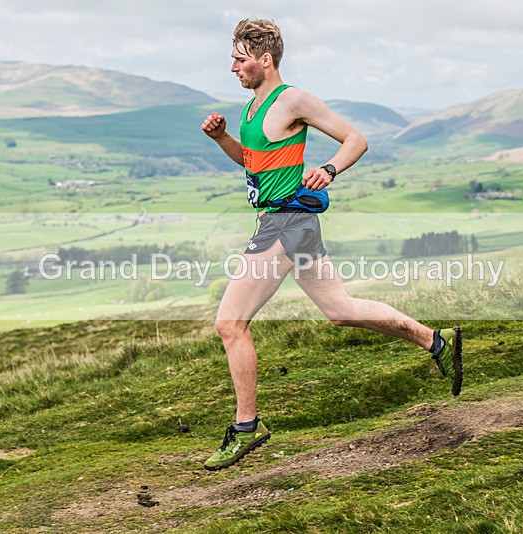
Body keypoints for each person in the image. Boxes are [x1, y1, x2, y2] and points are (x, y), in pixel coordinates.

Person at [200, 18, 462, 471]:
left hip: (285, 223)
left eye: (240, 60)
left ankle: (246, 427)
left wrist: (329, 169)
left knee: (230, 324)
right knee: (340, 309)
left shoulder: (293, 100)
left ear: (266, 60)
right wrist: (222, 137)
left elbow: (355, 140)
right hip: (288, 223)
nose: (233, 68)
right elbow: (252, 162)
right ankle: (437, 341)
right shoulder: (251, 109)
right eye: (233, 60)